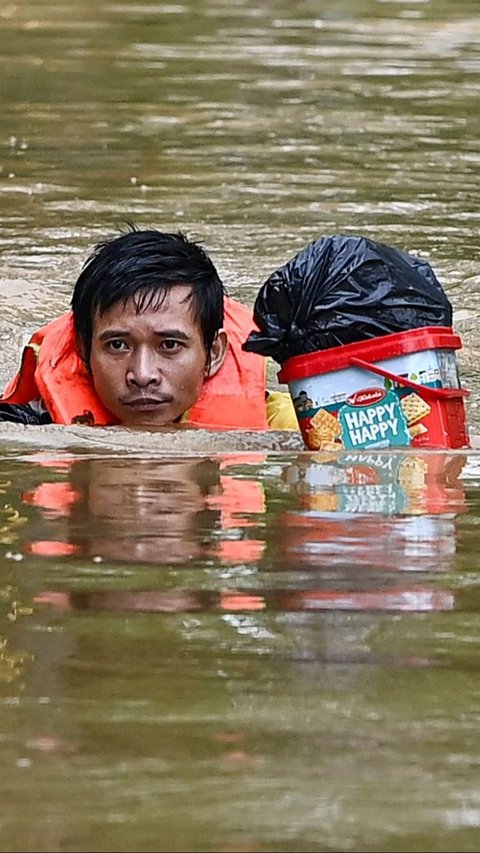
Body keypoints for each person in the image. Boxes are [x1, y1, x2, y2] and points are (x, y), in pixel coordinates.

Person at [0, 226, 298, 431]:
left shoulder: (291, 423)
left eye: (169, 344)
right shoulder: (30, 424)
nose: (142, 375)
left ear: (214, 353)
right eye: (117, 345)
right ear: (83, 349)